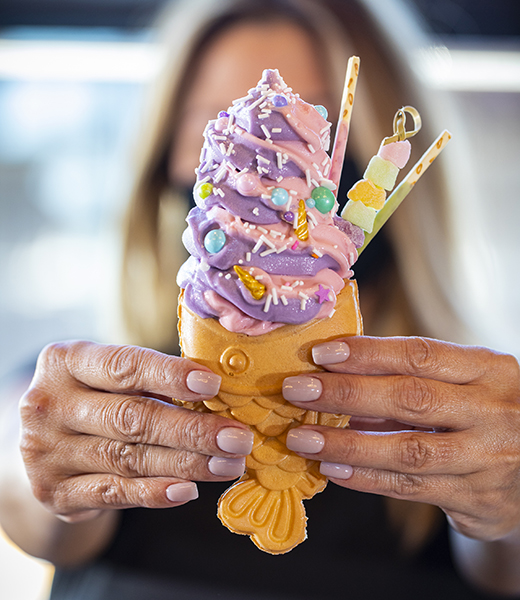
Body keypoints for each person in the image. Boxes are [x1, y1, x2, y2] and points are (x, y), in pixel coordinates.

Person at [1, 0, 520, 598]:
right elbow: (18, 467)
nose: (269, 167)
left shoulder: (477, 417)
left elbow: (503, 568)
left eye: (310, 124)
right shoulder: (100, 389)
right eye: (221, 122)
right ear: (167, 162)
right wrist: (46, 474)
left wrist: (505, 516)